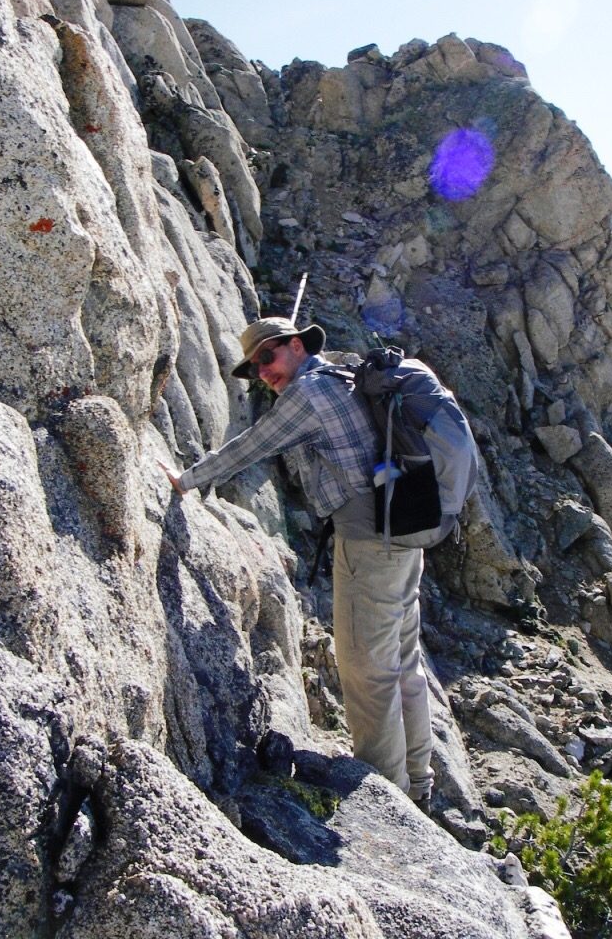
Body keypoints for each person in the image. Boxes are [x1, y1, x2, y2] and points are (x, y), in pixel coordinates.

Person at [160, 316, 434, 808]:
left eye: (268, 357)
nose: (263, 372)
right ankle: (419, 782)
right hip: (405, 528)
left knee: (366, 671)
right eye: (254, 368)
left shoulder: (306, 394)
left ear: (295, 346)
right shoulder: (343, 375)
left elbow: (251, 445)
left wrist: (188, 480)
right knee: (402, 662)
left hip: (369, 544)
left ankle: (392, 803)